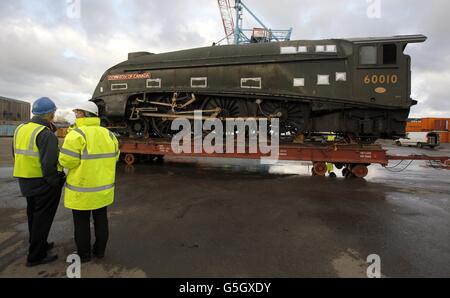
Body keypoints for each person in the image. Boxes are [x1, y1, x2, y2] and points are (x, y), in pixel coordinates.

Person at [59, 101, 119, 262]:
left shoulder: (76, 134)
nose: (76, 114)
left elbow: (66, 161)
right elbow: (115, 157)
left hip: (81, 191)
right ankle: (100, 251)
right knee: (101, 221)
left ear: (83, 114)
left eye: (77, 112)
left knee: (81, 224)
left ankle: (84, 255)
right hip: (102, 190)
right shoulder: (109, 135)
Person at [13, 97, 65, 267]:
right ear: (50, 114)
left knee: (33, 216)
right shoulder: (45, 134)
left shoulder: (20, 129)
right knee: (43, 219)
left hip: (25, 180)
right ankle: (36, 255)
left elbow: (16, 154)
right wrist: (55, 182)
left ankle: (38, 244)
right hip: (42, 183)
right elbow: (49, 164)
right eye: (53, 113)